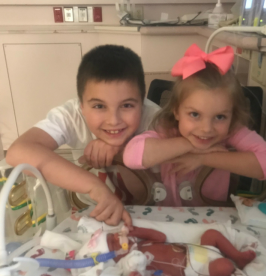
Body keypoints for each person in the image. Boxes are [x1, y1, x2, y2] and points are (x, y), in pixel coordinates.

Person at [6, 45, 160, 226]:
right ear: (81, 105)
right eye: (99, 106)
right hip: (90, 213)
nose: (113, 121)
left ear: (142, 102)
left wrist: (123, 148)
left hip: (148, 215)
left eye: (126, 105)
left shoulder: (155, 118)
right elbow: (18, 152)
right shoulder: (71, 115)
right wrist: (94, 187)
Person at [123, 44, 266, 206]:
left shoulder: (231, 130)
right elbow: (131, 156)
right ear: (176, 110)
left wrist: (203, 158)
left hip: (213, 220)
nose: (206, 128)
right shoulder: (168, 129)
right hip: (168, 219)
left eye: (220, 116)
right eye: (195, 114)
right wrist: (189, 145)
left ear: (232, 114)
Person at [104, 226, 256, 276]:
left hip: (195, 250)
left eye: (115, 235)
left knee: (211, 234)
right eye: (113, 242)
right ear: (114, 257)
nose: (118, 237)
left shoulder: (142, 246)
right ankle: (232, 264)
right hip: (196, 269)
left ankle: (238, 257)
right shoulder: (133, 267)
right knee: (225, 266)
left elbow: (161, 237)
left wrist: (136, 232)